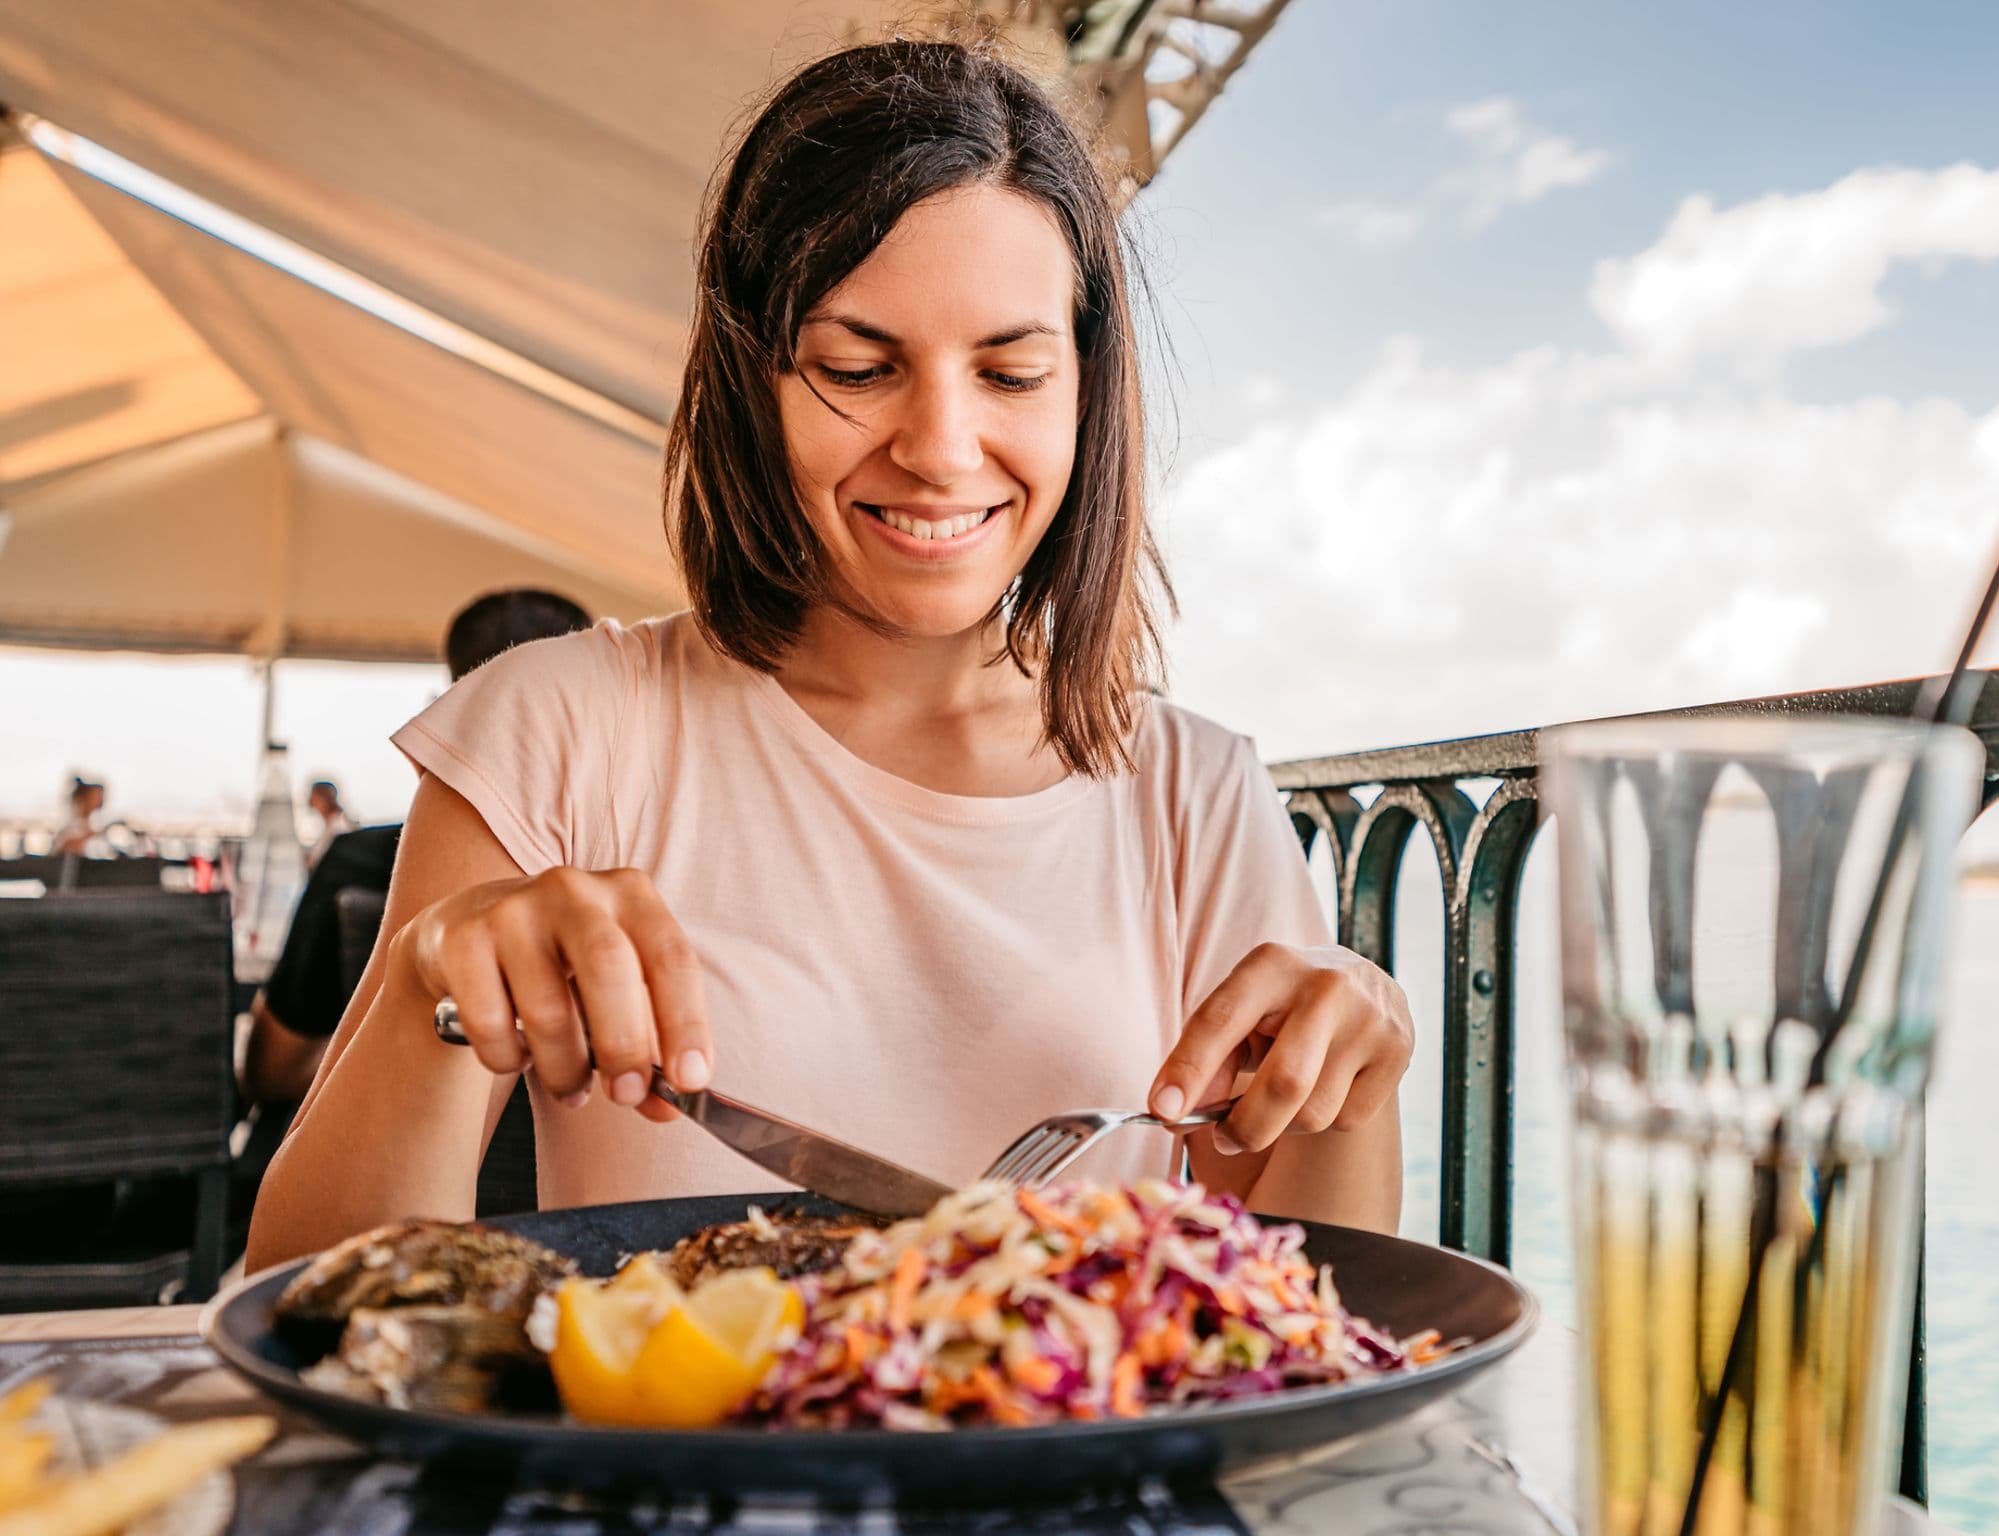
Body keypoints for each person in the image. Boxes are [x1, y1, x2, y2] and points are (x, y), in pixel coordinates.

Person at [247, 38, 1413, 1271]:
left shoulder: (1195, 792)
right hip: (673, 1458)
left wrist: (1360, 1069)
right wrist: (438, 990)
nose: (942, 448)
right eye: (859, 368)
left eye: (1011, 372)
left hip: (1068, 1462)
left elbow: (1302, 1315)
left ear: (1086, 393)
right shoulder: (560, 725)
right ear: (754, 379)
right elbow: (296, 1292)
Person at [237, 590, 594, 1105]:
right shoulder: (623, 880)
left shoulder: (360, 863)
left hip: (380, 1158)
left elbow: (270, 1077)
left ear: (448, 712)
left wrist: (372, 1051)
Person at [304, 781, 355, 870]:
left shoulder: (337, 826)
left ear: (322, 799)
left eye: (313, 796)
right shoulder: (333, 823)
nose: (310, 799)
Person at [54, 776, 104, 854]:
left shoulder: (93, 824)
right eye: (94, 797)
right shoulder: (72, 824)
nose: (100, 800)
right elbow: (63, 847)